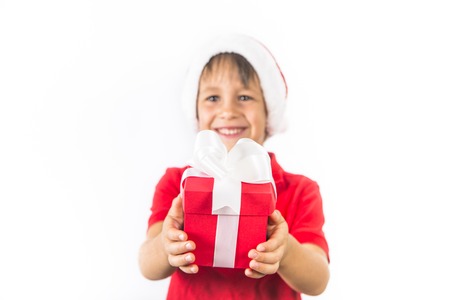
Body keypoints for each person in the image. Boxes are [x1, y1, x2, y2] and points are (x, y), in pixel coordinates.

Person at [138, 33, 330, 300]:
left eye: (244, 97)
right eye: (213, 98)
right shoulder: (176, 183)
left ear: (269, 111)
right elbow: (148, 265)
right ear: (195, 111)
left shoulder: (299, 191)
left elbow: (318, 280)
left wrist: (285, 251)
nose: (227, 110)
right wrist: (166, 246)